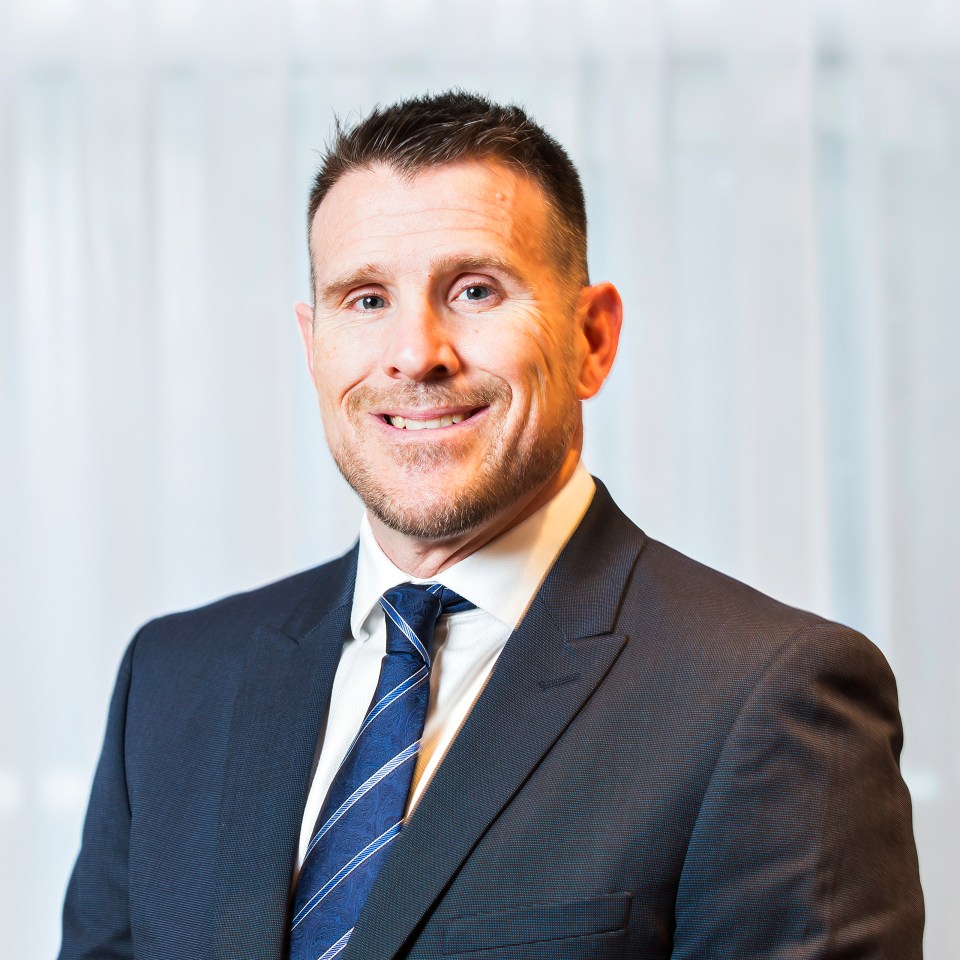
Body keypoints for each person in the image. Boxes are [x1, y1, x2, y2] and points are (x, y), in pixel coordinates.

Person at [59, 91, 923, 960]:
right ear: (312, 343)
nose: (416, 352)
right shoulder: (172, 684)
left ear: (592, 338)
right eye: (364, 300)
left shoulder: (768, 695)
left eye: (474, 290)